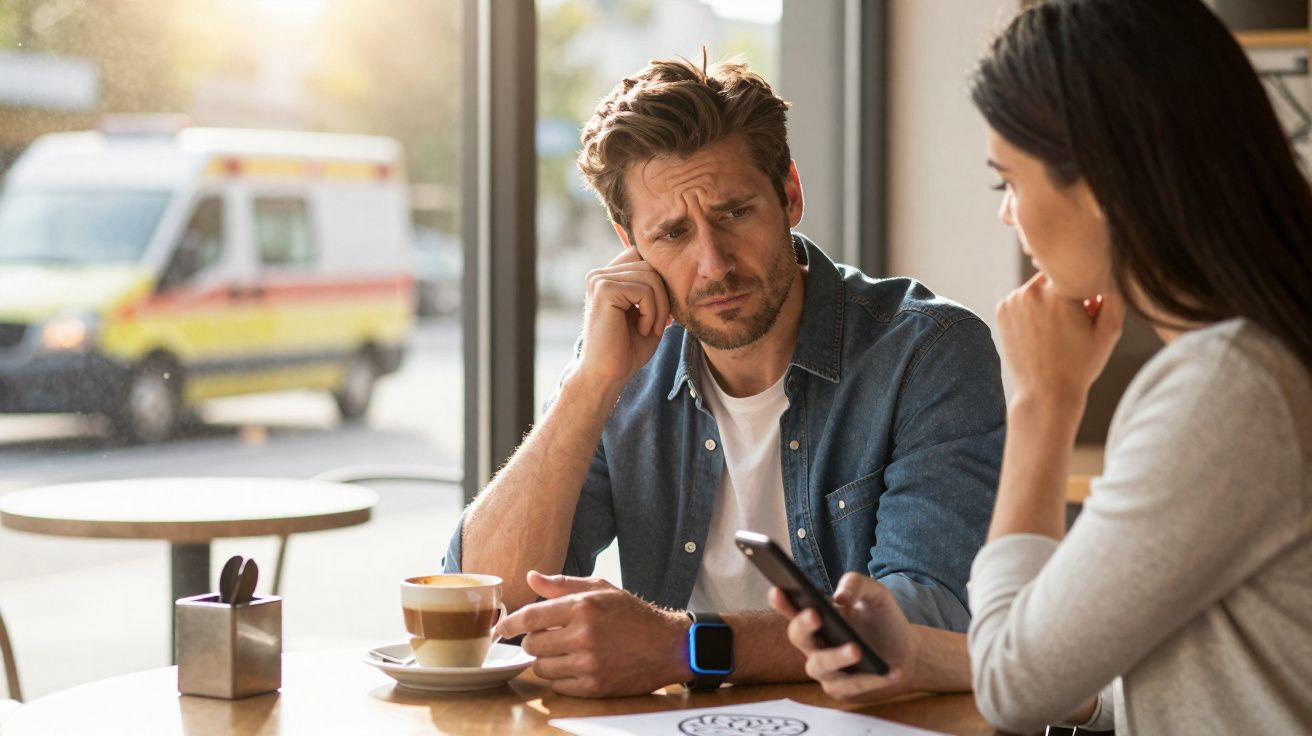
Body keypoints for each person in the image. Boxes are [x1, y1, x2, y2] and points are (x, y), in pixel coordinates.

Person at [769, 0, 1312, 732]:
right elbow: (1198, 673)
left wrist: (1043, 403)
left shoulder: (1225, 390)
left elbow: (1014, 693)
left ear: (1095, 180)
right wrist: (925, 656)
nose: (1008, 215)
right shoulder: (1257, 363)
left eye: (1008, 182)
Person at [443, 54, 1006, 697]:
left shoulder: (928, 354)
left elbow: (931, 614)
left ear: (790, 193)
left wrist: (684, 648)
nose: (713, 265)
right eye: (674, 233)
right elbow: (486, 608)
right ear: (629, 241)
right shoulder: (621, 365)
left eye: (735, 212)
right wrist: (587, 387)